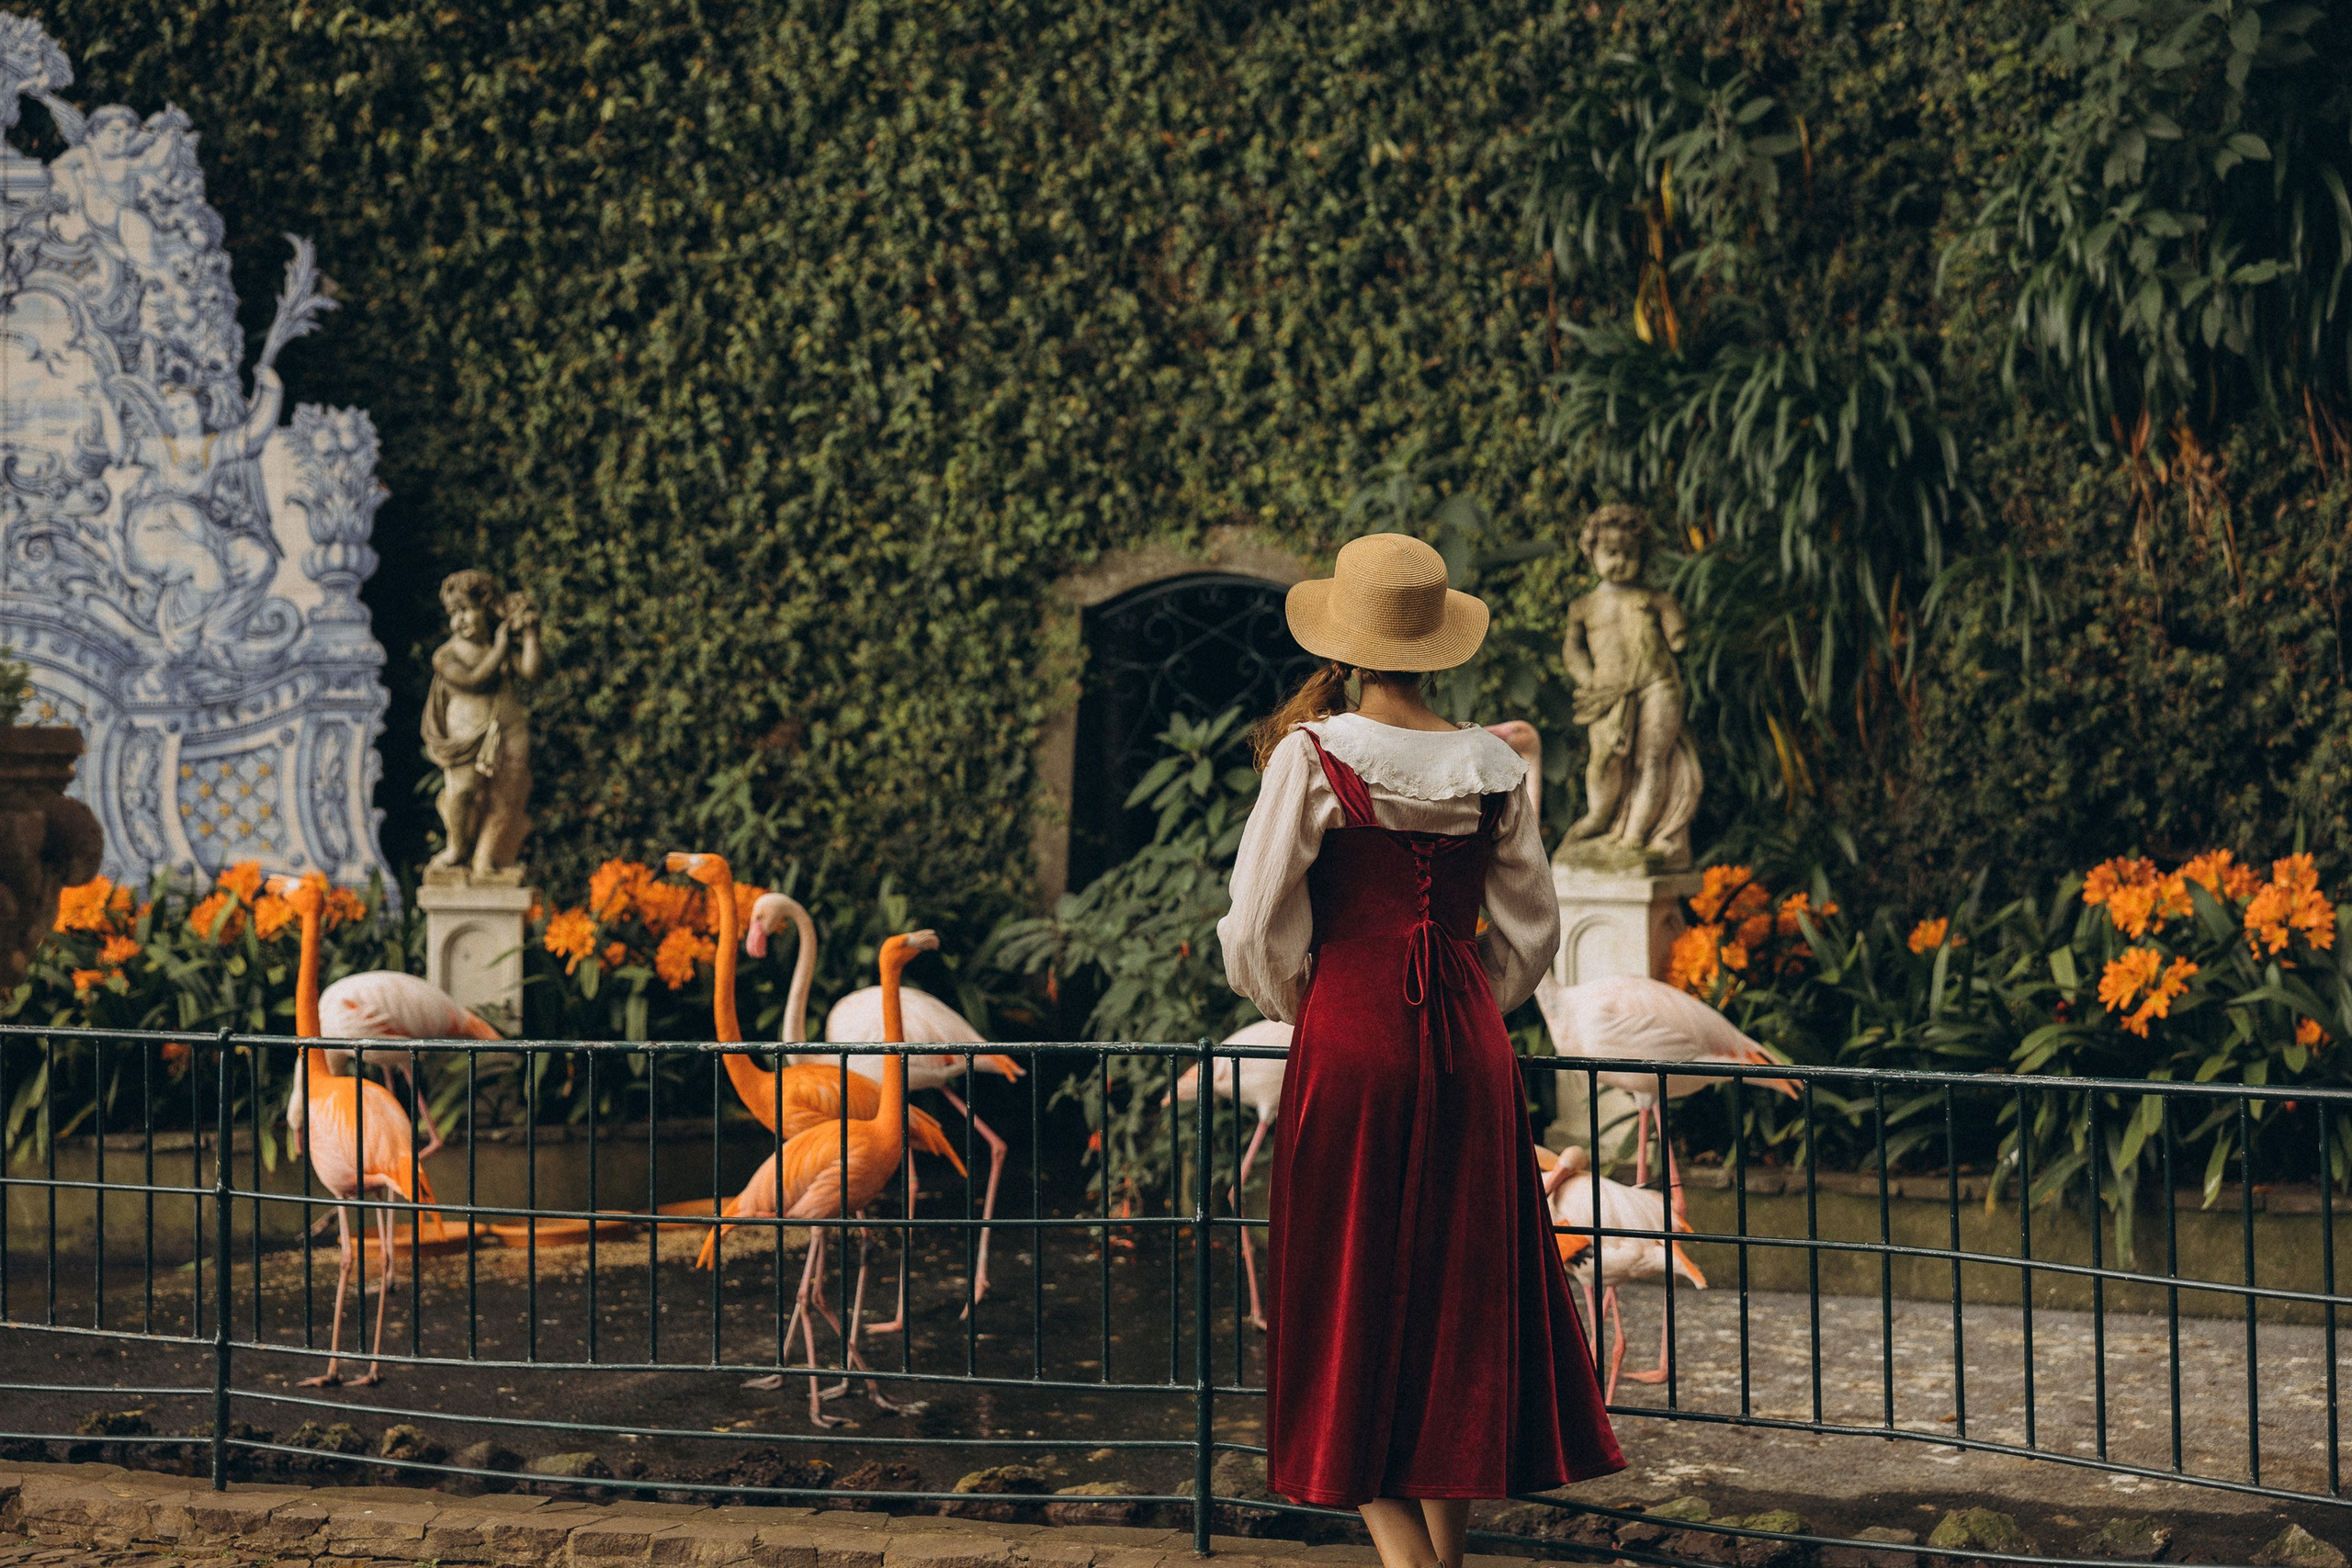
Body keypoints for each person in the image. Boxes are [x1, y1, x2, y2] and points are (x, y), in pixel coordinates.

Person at [1217, 533, 1623, 1568]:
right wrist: (1467, 1002)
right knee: (1458, 1307)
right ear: (1437, 646)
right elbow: (1533, 932)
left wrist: (1316, 1003)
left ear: (1346, 646)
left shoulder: (1312, 757)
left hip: (1352, 1041)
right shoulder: (1492, 765)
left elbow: (1254, 930)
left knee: (1348, 1300)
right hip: (1470, 1051)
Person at [422, 570, 544, 874]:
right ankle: (458, 847)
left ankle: (486, 856)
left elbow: (532, 672)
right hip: (466, 737)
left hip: (510, 732)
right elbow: (475, 680)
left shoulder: (500, 648)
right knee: (461, 792)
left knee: (505, 798)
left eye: (466, 610)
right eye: (453, 613)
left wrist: (530, 634)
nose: (458, 621)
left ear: (486, 609)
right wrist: (501, 646)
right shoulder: (446, 655)